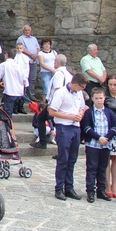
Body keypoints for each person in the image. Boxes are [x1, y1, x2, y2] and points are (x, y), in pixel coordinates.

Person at [49, 72, 88, 201]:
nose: (83, 89)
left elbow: (82, 107)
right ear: (75, 84)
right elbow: (52, 111)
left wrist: (80, 114)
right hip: (63, 127)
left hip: (75, 127)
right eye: (81, 87)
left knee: (72, 159)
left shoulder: (79, 94)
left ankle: (69, 187)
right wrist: (70, 116)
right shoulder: (60, 93)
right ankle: (59, 188)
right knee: (63, 159)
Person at [81, 87, 116, 203]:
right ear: (92, 99)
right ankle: (90, 191)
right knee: (92, 168)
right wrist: (98, 137)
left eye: (101, 98)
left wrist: (107, 138)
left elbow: (114, 127)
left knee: (102, 168)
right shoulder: (89, 112)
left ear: (104, 98)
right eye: (96, 98)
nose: (99, 101)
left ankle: (101, 190)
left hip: (105, 144)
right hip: (93, 144)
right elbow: (86, 127)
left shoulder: (109, 112)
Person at [0, 47, 28, 120]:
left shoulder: (3, 65)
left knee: (7, 114)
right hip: (19, 93)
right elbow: (24, 82)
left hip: (9, 92)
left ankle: (9, 128)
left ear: (6, 55)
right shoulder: (19, 66)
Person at [16, 25, 40, 102]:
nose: (27, 31)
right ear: (23, 31)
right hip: (25, 61)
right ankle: (22, 95)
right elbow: (22, 48)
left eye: (28, 30)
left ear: (31, 30)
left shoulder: (34, 39)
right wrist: (31, 55)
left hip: (34, 61)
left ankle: (31, 95)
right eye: (25, 30)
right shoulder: (21, 38)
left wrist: (36, 54)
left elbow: (38, 48)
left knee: (32, 79)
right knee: (24, 78)